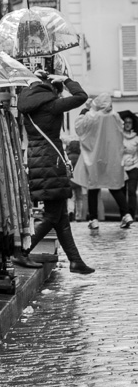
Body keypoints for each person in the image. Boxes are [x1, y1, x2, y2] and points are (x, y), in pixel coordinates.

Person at [16, 71, 95, 274]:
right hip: (51, 160)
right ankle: (22, 251)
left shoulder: (27, 104)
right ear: (53, 88)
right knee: (52, 214)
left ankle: (76, 261)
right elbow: (81, 97)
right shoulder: (51, 105)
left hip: (36, 157)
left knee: (60, 214)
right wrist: (66, 80)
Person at [74, 93, 132, 230]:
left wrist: (84, 110)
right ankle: (126, 214)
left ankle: (93, 219)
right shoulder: (115, 116)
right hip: (111, 157)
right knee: (115, 186)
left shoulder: (91, 116)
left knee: (93, 188)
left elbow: (79, 128)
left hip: (94, 157)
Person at [122, 115, 138, 221]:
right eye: (126, 122)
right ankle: (123, 214)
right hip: (121, 167)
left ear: (132, 125)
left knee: (132, 191)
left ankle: (132, 214)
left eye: (129, 122)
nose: (127, 124)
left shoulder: (136, 137)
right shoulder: (119, 136)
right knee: (122, 192)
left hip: (134, 166)